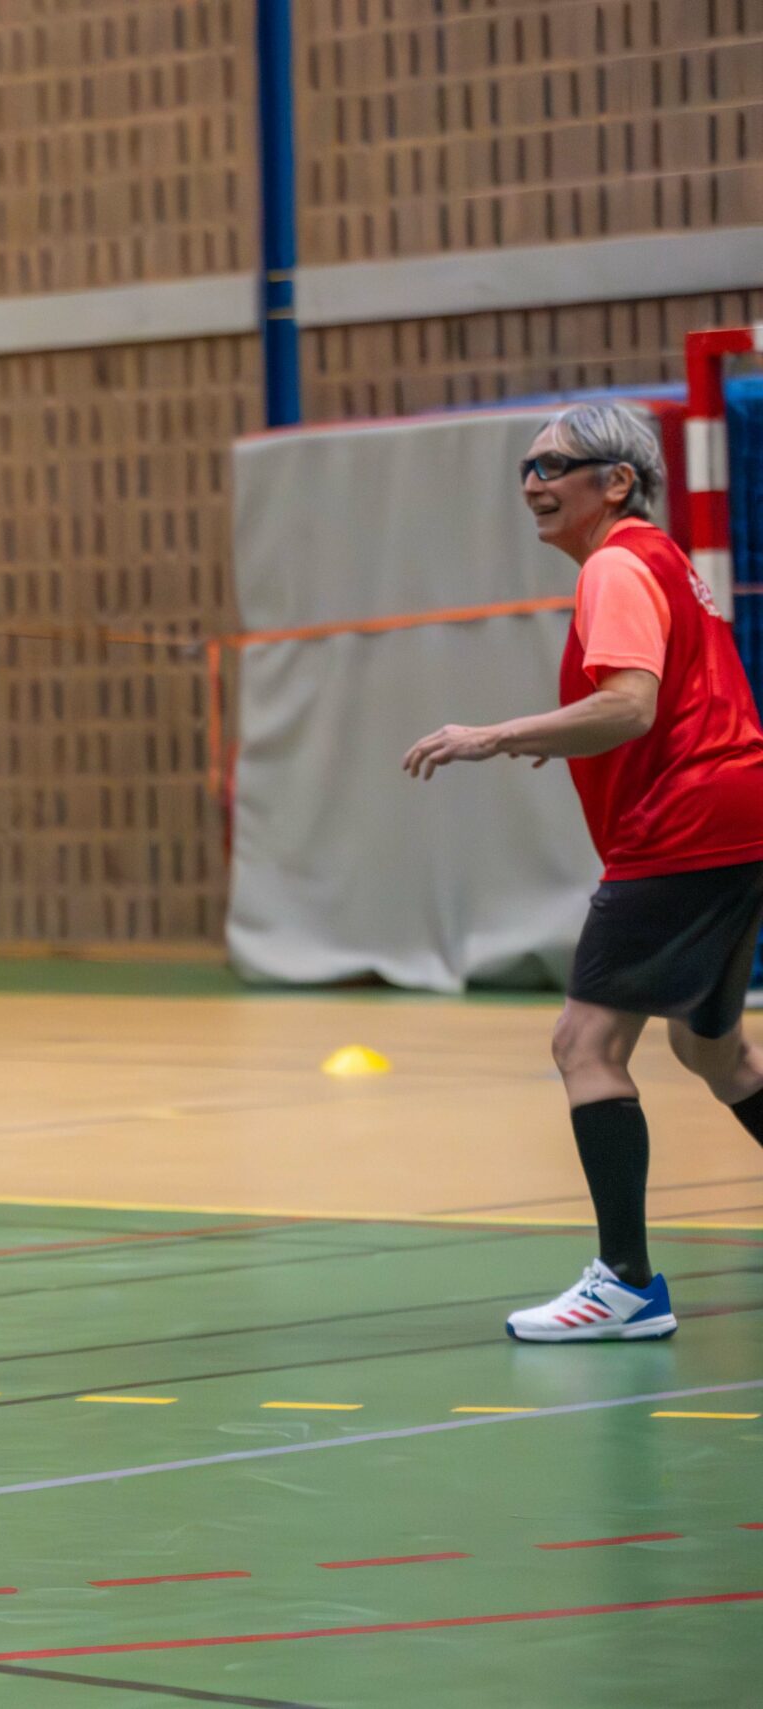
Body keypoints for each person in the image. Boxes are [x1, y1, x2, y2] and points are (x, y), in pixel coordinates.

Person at [406, 401, 763, 1342]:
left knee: (585, 1047)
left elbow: (629, 707)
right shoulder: (661, 562)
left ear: (617, 481)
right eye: (524, 466)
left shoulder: (616, 562)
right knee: (712, 1051)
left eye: (555, 463)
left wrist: (494, 734)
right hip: (737, 816)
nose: (533, 481)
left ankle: (627, 1284)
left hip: (685, 825)